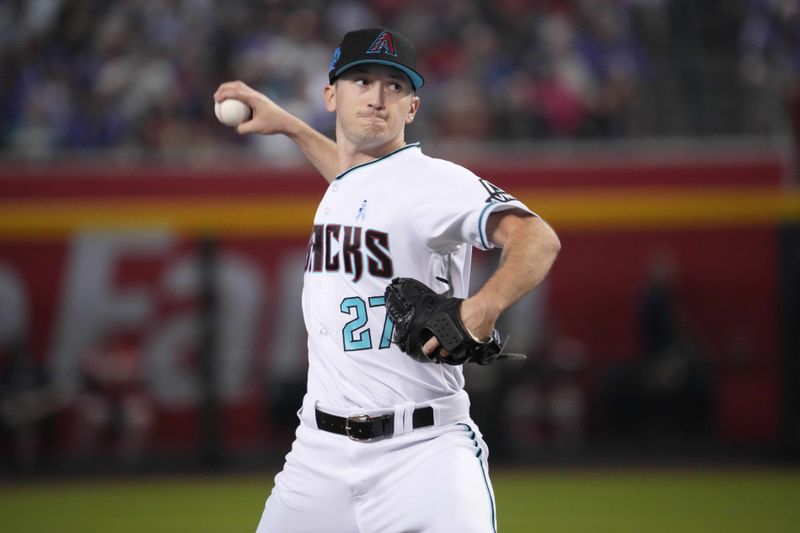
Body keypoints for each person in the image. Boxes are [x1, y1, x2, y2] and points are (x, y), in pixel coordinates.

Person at [215, 27, 560, 533]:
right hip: (317, 454)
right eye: (361, 81)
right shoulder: (352, 182)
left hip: (422, 455)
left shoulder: (435, 181)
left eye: (394, 86)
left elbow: (538, 239)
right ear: (330, 95)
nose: (377, 97)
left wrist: (480, 309)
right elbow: (355, 176)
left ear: (412, 107)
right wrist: (290, 126)